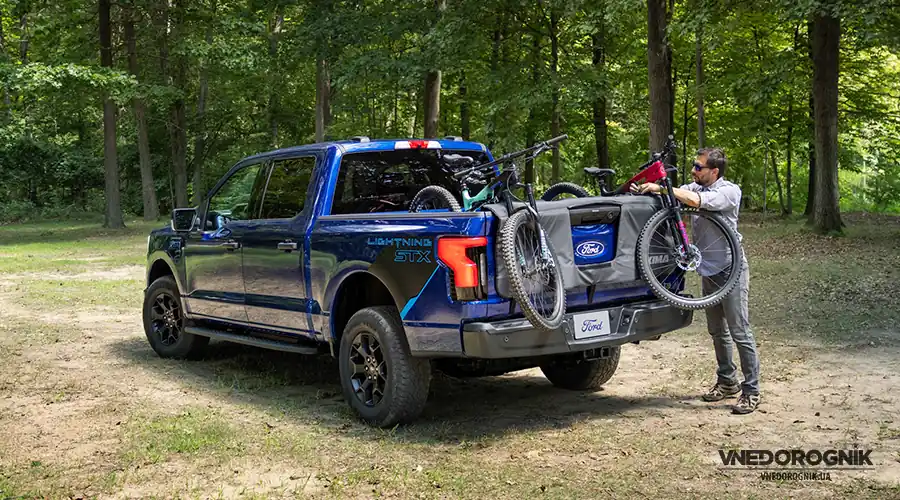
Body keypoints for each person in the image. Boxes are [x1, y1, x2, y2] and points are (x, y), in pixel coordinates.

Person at [631, 147, 760, 415]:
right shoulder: (694, 186)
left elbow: (695, 200)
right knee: (717, 331)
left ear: (714, 171)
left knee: (740, 330)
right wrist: (646, 189)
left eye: (698, 167)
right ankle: (727, 381)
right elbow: (680, 195)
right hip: (708, 271)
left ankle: (752, 390)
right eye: (693, 165)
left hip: (731, 269)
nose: (693, 170)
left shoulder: (729, 192)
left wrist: (662, 187)